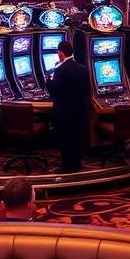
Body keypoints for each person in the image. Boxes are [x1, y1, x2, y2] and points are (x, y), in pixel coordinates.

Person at [46, 40, 90, 173]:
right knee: (76, 137)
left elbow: (54, 91)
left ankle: (68, 167)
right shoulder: (82, 68)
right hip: (79, 109)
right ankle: (77, 162)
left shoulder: (61, 69)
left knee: (66, 139)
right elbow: (86, 89)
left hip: (64, 111)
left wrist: (48, 80)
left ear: (60, 53)